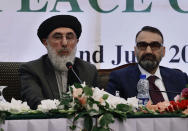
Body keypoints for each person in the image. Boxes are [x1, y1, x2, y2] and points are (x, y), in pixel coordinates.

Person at [19, 15, 98, 109]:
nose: (64, 43)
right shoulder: (32, 70)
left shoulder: (89, 70)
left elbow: (96, 103)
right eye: (57, 37)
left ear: (76, 41)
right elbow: (34, 102)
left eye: (69, 37)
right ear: (45, 42)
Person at [106, 26, 188, 104]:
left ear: (163, 51)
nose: (148, 51)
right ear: (135, 50)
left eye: (154, 46)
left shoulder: (180, 78)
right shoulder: (119, 78)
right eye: (142, 45)